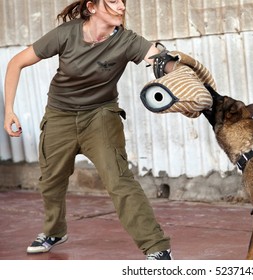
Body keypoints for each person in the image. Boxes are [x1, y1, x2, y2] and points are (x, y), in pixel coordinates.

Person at [3, 0, 174, 260]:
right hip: (59, 115)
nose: (121, 7)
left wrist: (177, 66)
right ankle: (54, 231)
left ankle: (157, 247)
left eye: (122, 2)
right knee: (51, 181)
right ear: (92, 7)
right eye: (113, 2)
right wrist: (9, 110)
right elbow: (16, 62)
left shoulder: (127, 41)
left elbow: (162, 60)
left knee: (120, 181)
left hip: (101, 115)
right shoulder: (66, 34)